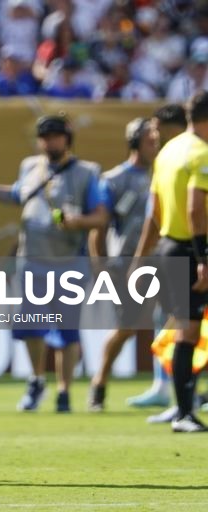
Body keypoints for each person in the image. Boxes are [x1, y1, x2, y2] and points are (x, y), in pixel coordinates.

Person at [0, 114, 107, 413]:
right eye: (45, 136)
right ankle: (37, 379)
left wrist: (77, 221)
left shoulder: (86, 172)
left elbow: (101, 216)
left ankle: (64, 390)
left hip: (69, 262)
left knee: (68, 330)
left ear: (67, 139)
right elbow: (18, 195)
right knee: (30, 327)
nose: (49, 141)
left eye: (55, 135)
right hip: (31, 261)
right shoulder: (30, 166)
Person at [142, 91, 208, 432]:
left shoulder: (168, 152)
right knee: (187, 333)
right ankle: (184, 411)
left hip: (169, 246)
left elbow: (154, 210)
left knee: (185, 330)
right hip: (192, 250)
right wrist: (203, 258)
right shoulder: (201, 154)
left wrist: (143, 255)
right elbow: (197, 211)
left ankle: (182, 407)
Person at [86, 117, 159, 411]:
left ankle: (174, 387)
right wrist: (99, 265)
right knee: (127, 327)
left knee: (177, 324)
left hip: (163, 258)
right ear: (135, 142)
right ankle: (99, 382)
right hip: (126, 262)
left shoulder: (162, 173)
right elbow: (99, 227)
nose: (155, 144)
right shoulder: (114, 179)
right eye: (149, 140)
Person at [127, 104, 188, 413]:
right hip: (176, 250)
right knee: (174, 322)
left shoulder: (182, 156)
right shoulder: (169, 158)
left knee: (183, 324)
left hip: (187, 249)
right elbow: (155, 215)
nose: (152, 135)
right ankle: (172, 392)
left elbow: (157, 214)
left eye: (155, 128)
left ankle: (178, 396)